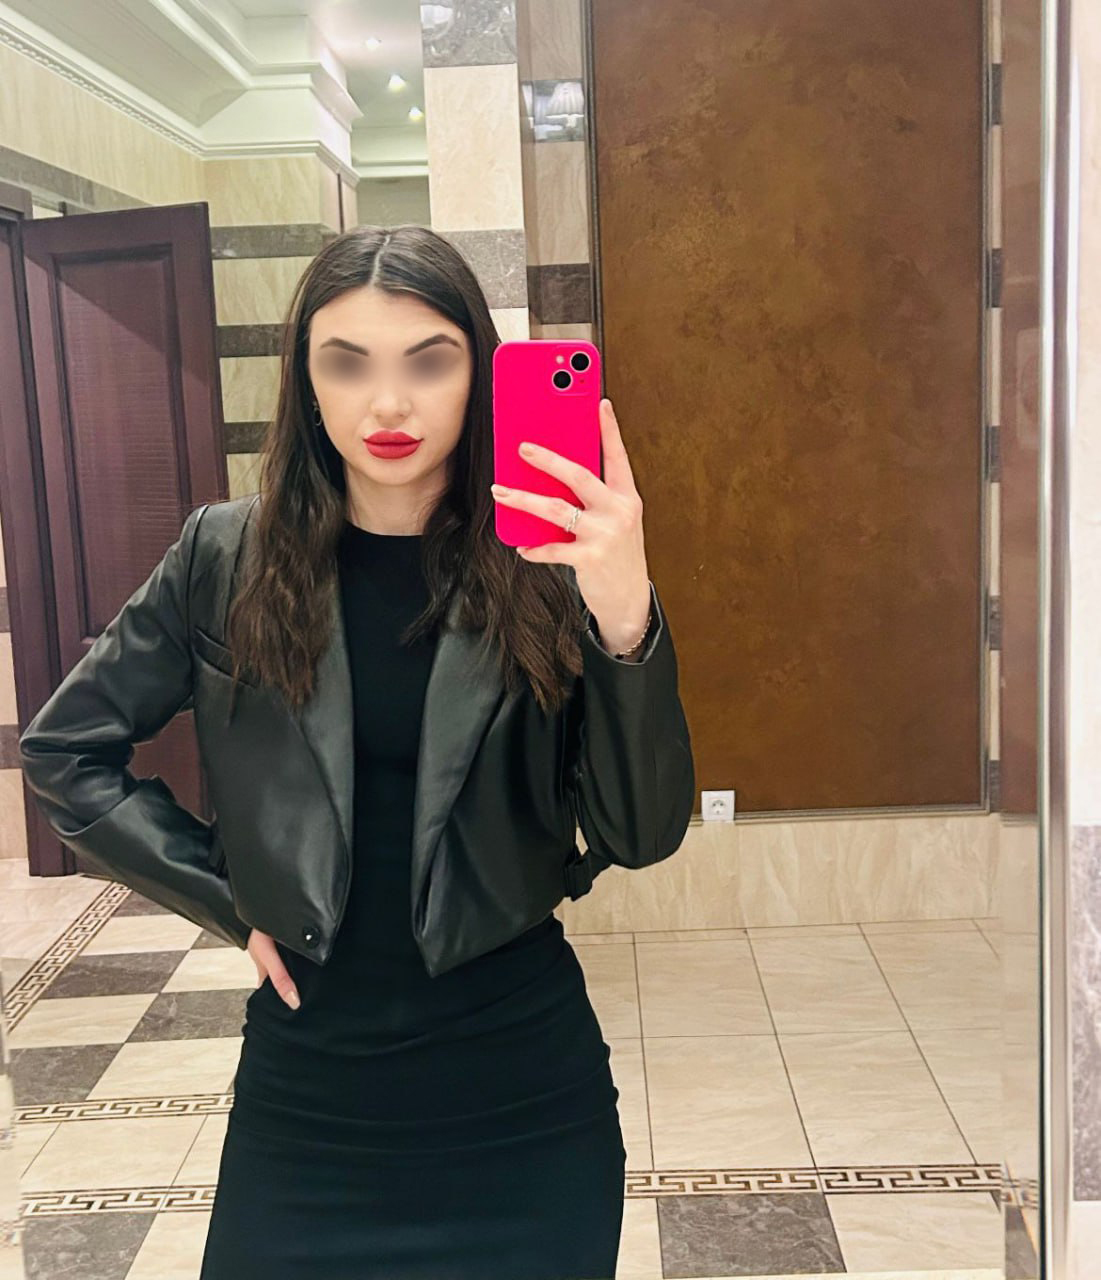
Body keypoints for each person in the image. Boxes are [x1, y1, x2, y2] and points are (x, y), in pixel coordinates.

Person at [18, 224, 695, 1279]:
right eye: (347, 363)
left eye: (428, 363)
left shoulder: (551, 558)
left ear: (478, 375)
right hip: (307, 1106)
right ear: (305, 378)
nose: (387, 405)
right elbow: (66, 749)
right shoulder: (223, 555)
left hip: (521, 1100)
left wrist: (624, 617)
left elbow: (639, 832)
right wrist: (227, 898)